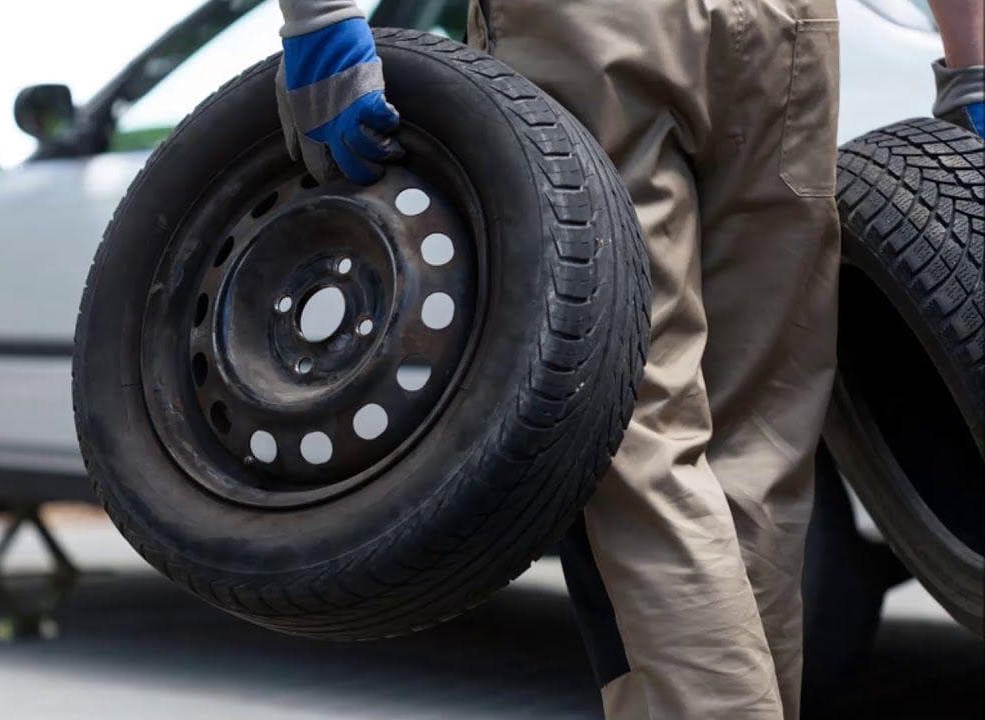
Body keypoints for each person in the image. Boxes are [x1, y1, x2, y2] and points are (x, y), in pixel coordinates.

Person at [274, 0, 984, 717]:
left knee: (631, 426)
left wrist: (321, 20)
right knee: (760, 439)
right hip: (783, 27)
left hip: (595, 25)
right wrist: (972, 65)